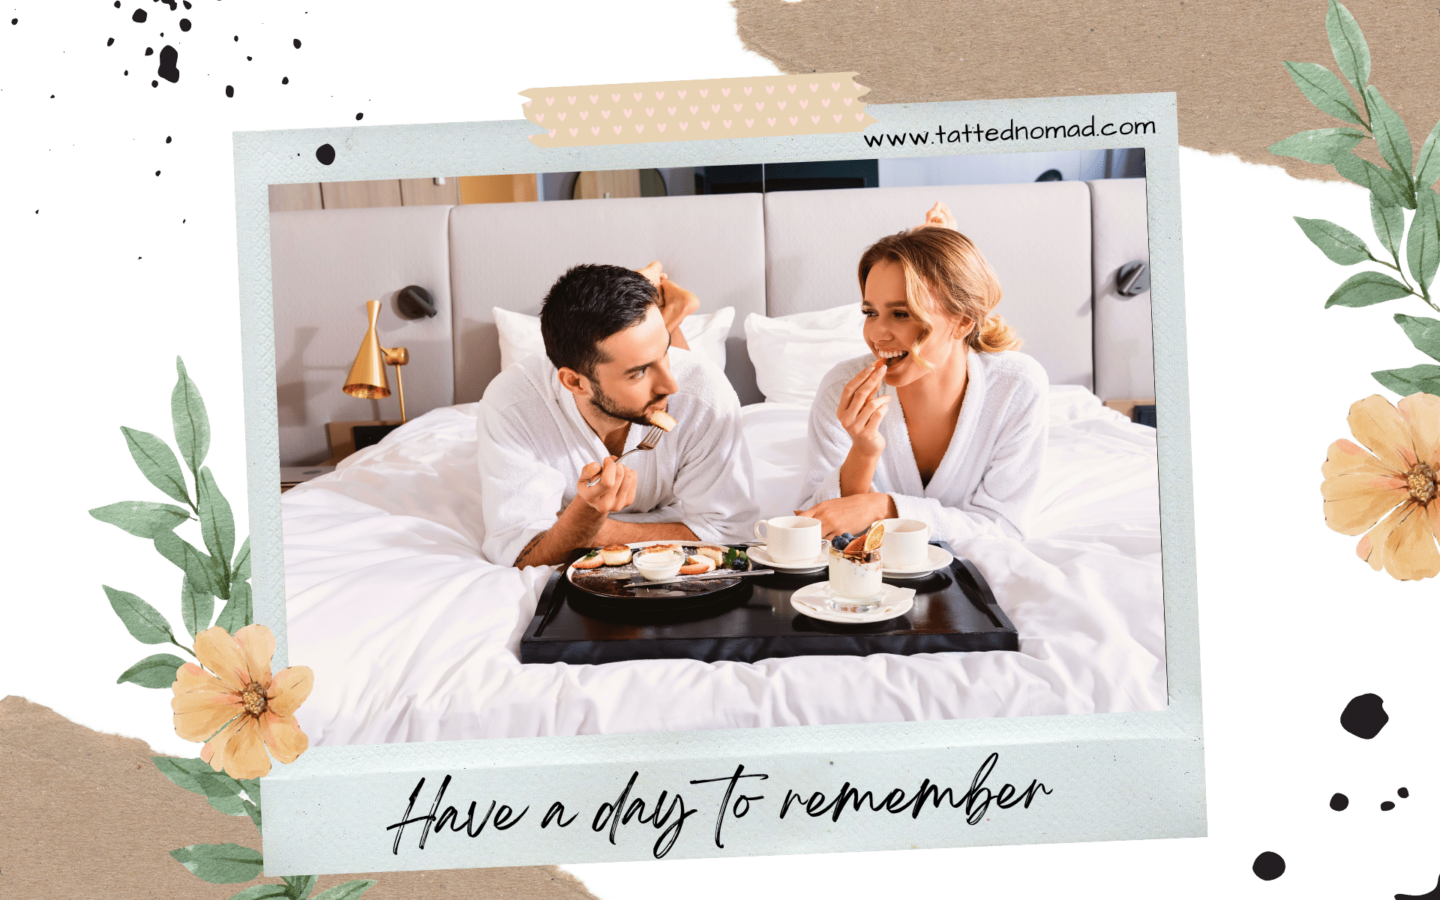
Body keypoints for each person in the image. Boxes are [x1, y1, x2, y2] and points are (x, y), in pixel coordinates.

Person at [795, 202, 1049, 545]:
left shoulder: (1016, 386)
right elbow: (816, 527)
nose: (877, 334)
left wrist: (885, 508)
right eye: (870, 313)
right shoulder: (841, 388)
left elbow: (1003, 529)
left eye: (901, 314)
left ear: (962, 321)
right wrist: (863, 453)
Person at [477, 263, 759, 569]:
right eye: (638, 372)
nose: (671, 385)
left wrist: (597, 529)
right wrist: (587, 512)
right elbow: (522, 553)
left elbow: (731, 538)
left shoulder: (704, 397)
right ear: (575, 382)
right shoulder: (513, 406)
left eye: (665, 352)